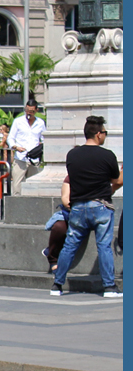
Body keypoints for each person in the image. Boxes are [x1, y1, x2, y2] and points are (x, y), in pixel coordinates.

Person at [51, 116, 123, 297]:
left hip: (78, 207)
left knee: (69, 246)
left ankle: (57, 285)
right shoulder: (107, 155)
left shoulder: (72, 155)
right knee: (104, 246)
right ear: (98, 134)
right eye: (104, 133)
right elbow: (118, 181)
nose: (105, 136)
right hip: (100, 207)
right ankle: (109, 287)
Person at [7, 98, 46, 196]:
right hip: (20, 158)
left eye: (32, 112)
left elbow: (44, 139)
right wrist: (16, 147)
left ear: (36, 110)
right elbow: (10, 138)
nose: (29, 113)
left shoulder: (40, 123)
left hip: (34, 159)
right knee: (17, 187)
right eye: (27, 111)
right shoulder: (18, 121)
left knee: (33, 187)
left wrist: (40, 148)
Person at [43, 176, 70, 274]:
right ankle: (53, 259)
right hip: (73, 212)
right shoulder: (71, 177)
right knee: (59, 227)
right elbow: (65, 199)